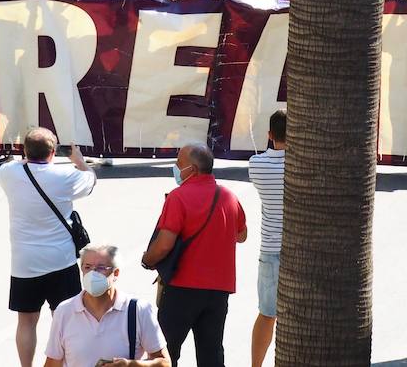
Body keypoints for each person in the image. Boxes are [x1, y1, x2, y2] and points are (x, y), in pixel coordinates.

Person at [0, 127, 97, 367]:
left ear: (24, 150)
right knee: (64, 319)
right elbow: (91, 180)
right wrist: (79, 160)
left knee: (27, 321)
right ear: (53, 152)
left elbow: (22, 163)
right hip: (60, 260)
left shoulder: (8, 172)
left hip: (24, 263)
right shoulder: (66, 177)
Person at [142, 144, 247, 367]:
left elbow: (164, 244)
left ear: (192, 169)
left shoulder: (178, 197)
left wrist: (147, 260)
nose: (175, 168)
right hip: (219, 289)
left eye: (179, 164)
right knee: (212, 353)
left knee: (166, 353)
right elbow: (242, 235)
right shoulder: (228, 196)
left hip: (183, 287)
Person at [43, 244, 169, 367]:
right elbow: (53, 362)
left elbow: (164, 362)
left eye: (101, 268)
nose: (93, 273)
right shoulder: (65, 311)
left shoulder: (138, 310)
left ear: (116, 273)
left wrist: (131, 365)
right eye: (87, 267)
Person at [248, 111, 285, 367]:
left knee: (266, 313)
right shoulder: (302, 165)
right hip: (300, 248)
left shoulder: (257, 165)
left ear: (270, 135)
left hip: (271, 249)